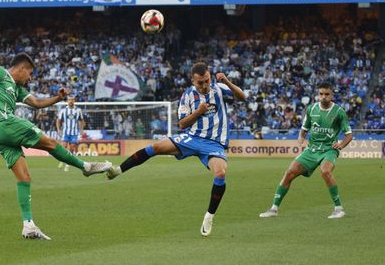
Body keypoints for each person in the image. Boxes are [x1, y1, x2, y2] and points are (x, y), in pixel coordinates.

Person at [0, 53, 112, 240]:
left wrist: (57, 98)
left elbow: (36, 103)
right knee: (50, 143)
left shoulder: (16, 88)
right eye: (30, 73)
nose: (30, 78)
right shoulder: (0, 73)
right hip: (4, 123)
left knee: (24, 178)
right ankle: (86, 167)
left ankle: (28, 225)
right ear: (21, 68)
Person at [106, 62, 246, 236]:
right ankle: (117, 170)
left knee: (220, 174)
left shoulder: (220, 88)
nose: (204, 86)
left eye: (206, 81)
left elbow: (242, 97)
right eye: (200, 83)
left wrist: (227, 81)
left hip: (214, 143)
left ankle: (209, 215)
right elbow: (182, 123)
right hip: (192, 138)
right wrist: (198, 112)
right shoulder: (187, 95)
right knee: (156, 146)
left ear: (210, 77)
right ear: (192, 81)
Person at [259, 83, 353, 219]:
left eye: (327, 94)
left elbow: (349, 135)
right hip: (312, 150)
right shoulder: (311, 109)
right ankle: (274, 209)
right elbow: (305, 127)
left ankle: (339, 209)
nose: (323, 97)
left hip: (328, 150)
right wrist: (301, 137)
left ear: (332, 95)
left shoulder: (339, 112)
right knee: (289, 172)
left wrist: (341, 145)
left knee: (325, 171)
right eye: (321, 94)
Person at [56, 95, 84, 171]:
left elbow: (82, 120)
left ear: (74, 101)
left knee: (72, 148)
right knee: (63, 147)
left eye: (72, 100)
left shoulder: (78, 110)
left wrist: (81, 129)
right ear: (67, 101)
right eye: (69, 100)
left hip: (74, 133)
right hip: (65, 132)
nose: (71, 101)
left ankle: (67, 165)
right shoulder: (63, 110)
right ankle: (62, 160)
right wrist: (59, 129)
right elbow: (58, 120)